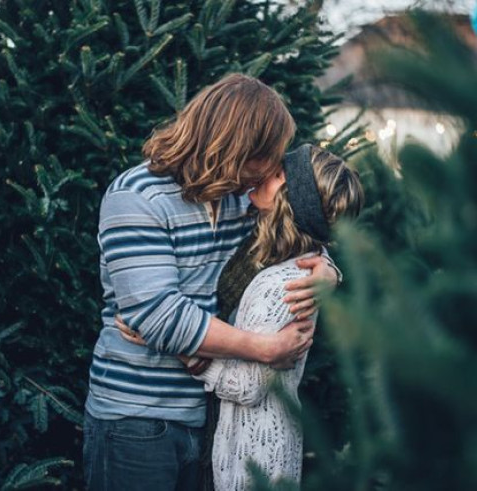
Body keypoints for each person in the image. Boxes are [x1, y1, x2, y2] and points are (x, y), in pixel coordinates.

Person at [83, 74, 340, 491]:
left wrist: (328, 270)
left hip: (210, 415)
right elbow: (161, 317)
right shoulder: (137, 197)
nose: (274, 167)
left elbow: (299, 228)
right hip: (137, 420)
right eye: (267, 156)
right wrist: (264, 348)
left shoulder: (239, 197)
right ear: (235, 147)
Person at [193, 144, 364, 490]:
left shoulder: (288, 284)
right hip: (237, 435)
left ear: (293, 201)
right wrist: (332, 269)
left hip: (254, 450)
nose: (266, 171)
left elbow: (249, 386)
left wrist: (184, 351)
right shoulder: (273, 245)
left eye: (278, 174)